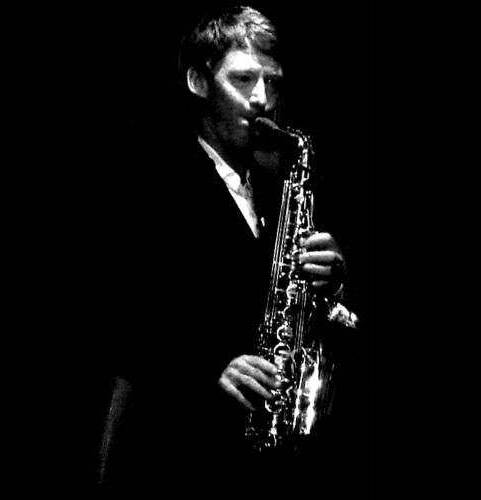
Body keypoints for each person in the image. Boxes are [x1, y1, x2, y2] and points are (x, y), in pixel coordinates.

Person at [92, 5, 365, 498]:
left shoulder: (280, 189)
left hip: (263, 462)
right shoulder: (148, 179)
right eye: (243, 79)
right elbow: (116, 317)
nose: (262, 99)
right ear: (199, 81)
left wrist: (332, 283)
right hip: (177, 456)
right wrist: (207, 368)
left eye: (273, 83)